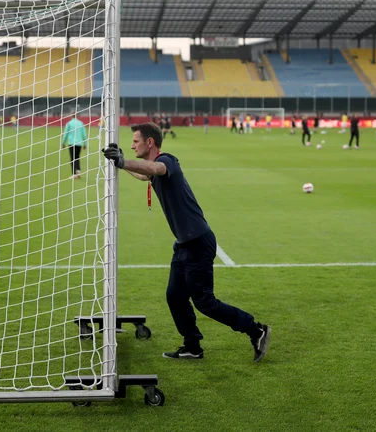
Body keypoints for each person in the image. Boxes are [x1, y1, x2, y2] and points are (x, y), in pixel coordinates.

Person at [101, 122, 271, 362]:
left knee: (205, 302)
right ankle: (192, 346)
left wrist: (122, 161)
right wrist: (121, 161)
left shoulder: (167, 160)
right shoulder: (153, 167)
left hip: (198, 243)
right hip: (184, 244)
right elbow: (144, 173)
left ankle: (256, 330)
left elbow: (156, 168)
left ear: (150, 143)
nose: (132, 145)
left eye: (135, 142)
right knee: (175, 296)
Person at [62, 113, 87, 179]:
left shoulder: (69, 123)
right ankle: (78, 170)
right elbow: (84, 134)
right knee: (77, 157)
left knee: (72, 158)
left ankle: (74, 174)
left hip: (71, 143)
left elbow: (66, 134)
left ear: (71, 116)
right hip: (79, 143)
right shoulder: (81, 123)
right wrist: (85, 144)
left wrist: (63, 143)